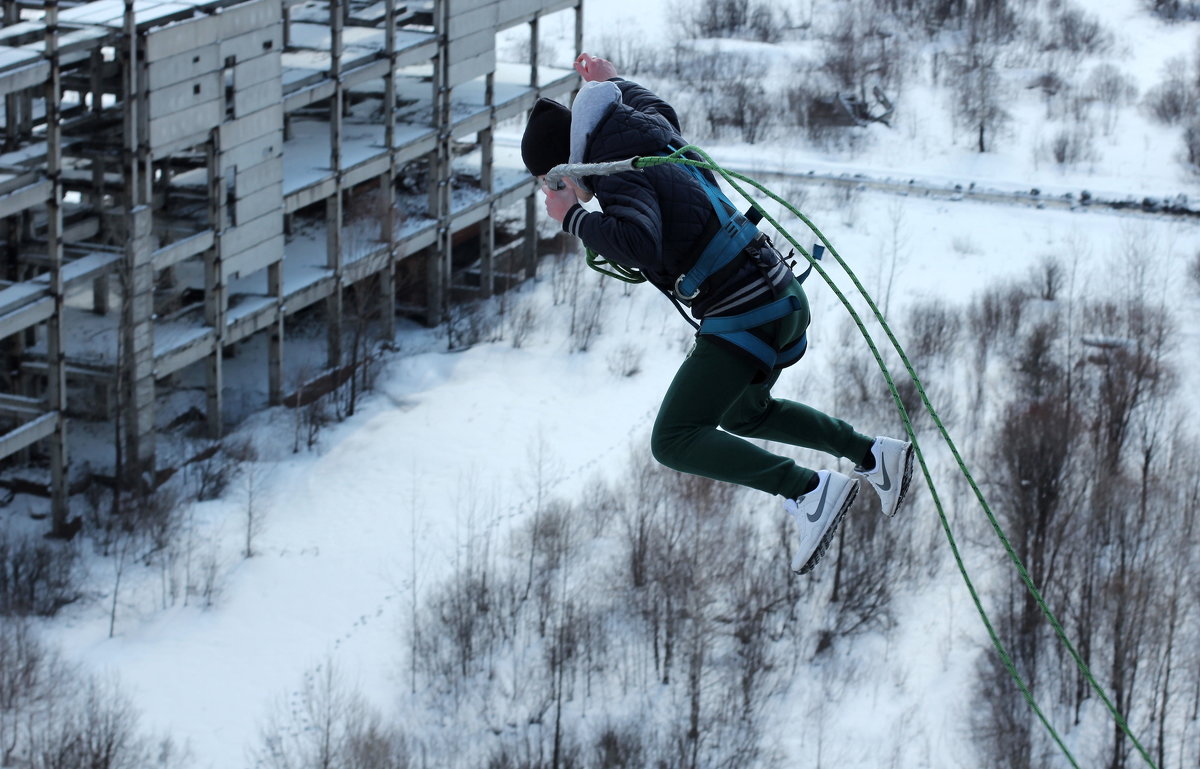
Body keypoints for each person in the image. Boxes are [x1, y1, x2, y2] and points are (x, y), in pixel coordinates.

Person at [521, 53, 914, 574]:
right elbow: (655, 106)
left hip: (743, 309)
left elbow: (639, 241)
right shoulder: (640, 135)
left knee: (674, 439)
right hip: (775, 293)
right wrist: (611, 82)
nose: (555, 192)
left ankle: (810, 491)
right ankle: (873, 455)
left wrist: (573, 217)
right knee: (740, 413)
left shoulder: (612, 171)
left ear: (564, 168)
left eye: (551, 182)